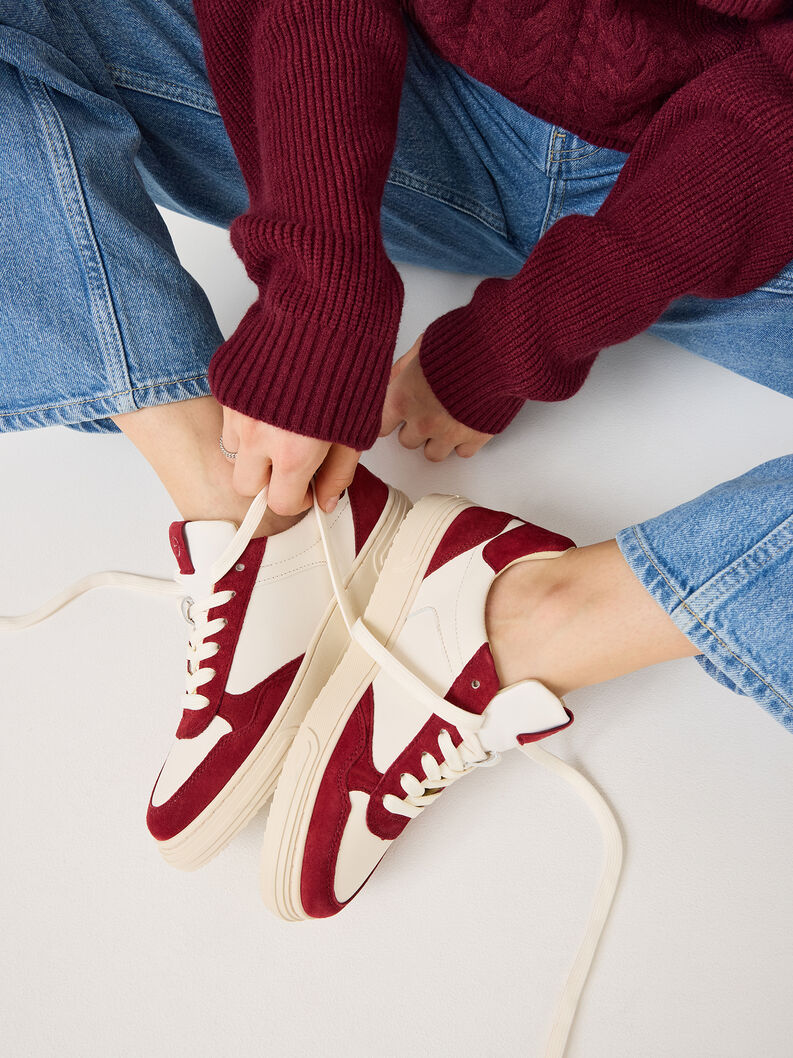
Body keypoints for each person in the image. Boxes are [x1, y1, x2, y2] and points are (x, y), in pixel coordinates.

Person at [1, 0, 791, 904]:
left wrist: (519, 340)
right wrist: (321, 296)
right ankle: (251, 511)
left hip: (759, 217)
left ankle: (527, 615)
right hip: (424, 97)